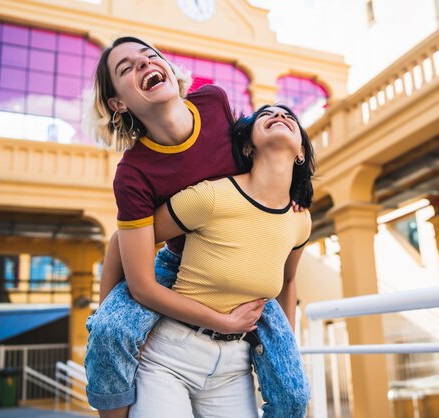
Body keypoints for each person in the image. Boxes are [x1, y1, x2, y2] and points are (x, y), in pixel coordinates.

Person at [83, 36, 309, 418]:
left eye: (149, 56)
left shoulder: (215, 103)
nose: (143, 64)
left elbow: (264, 158)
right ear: (118, 104)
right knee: (109, 332)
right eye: (126, 68)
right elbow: (127, 258)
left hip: (245, 264)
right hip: (176, 269)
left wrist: (294, 197)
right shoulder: (134, 173)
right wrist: (111, 320)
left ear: (168, 69)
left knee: (292, 392)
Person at [129, 103, 313, 417]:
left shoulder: (300, 221)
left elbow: (288, 281)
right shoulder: (210, 196)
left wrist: (284, 347)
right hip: (169, 357)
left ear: (301, 153)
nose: (280, 116)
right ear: (247, 145)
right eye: (266, 114)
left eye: (289, 117)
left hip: (235, 365)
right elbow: (128, 237)